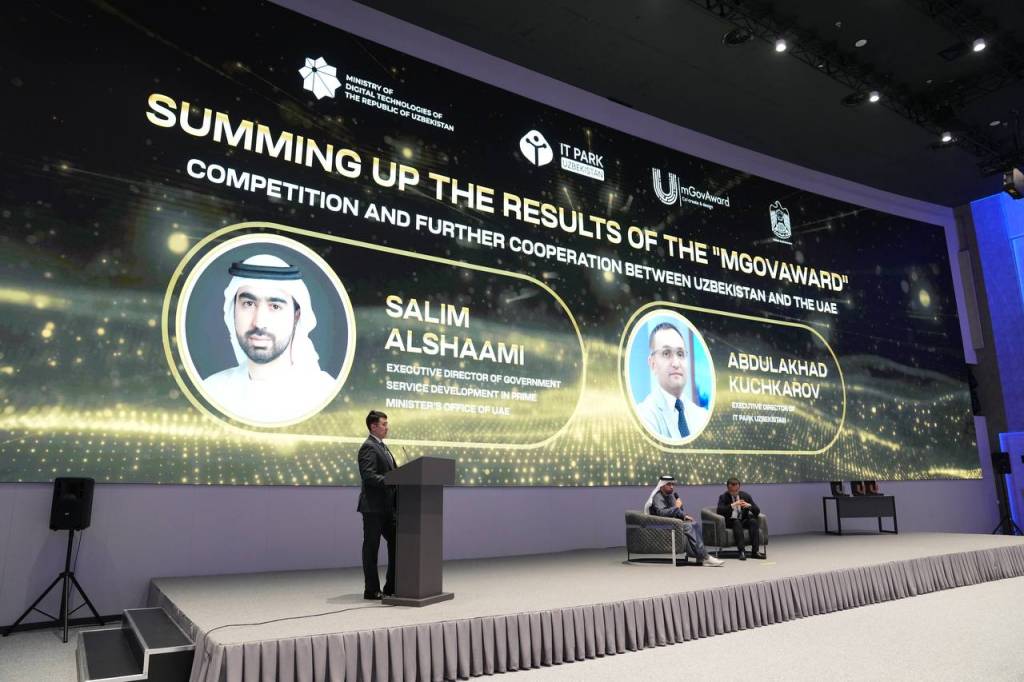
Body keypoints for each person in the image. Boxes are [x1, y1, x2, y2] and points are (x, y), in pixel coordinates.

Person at [202, 254, 338, 424]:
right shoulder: (211, 391)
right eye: (249, 304)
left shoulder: (327, 395)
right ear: (233, 311)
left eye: (275, 306)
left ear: (296, 316)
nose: (259, 322)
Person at [636, 322, 710, 440]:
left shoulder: (703, 416)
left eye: (680, 354)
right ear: (653, 364)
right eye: (666, 353)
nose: (676, 363)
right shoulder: (643, 416)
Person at [357, 410, 398, 599]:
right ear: (373, 426)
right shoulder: (368, 447)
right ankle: (372, 590)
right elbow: (369, 476)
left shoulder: (383, 446)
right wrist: (393, 480)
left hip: (389, 507)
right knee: (371, 548)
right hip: (373, 507)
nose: (387, 427)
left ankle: (392, 586)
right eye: (384, 424)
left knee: (398, 543)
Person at [644, 475, 723, 566]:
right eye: (668, 484)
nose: (672, 487)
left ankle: (700, 557)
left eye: (672, 484)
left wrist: (684, 516)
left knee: (694, 524)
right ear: (662, 486)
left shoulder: (670, 496)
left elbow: (676, 511)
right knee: (688, 526)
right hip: (661, 525)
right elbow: (661, 513)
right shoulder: (658, 497)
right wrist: (676, 507)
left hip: (672, 523)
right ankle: (706, 557)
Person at [716, 477, 763, 560]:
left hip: (743, 520)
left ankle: (755, 552)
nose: (734, 493)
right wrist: (733, 505)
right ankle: (742, 552)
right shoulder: (723, 497)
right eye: (732, 491)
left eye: (736, 490)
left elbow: (757, 511)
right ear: (728, 489)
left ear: (739, 488)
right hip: (731, 521)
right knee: (737, 522)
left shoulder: (745, 496)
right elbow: (719, 510)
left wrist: (749, 506)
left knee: (753, 522)